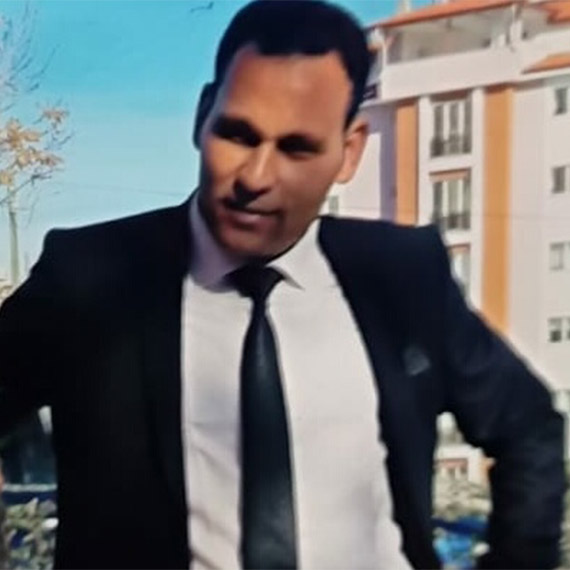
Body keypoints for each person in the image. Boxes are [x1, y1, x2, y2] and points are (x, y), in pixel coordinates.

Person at [0, 1, 565, 569]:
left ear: (349, 152)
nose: (255, 177)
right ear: (201, 116)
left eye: (297, 148)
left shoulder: (401, 277)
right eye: (238, 135)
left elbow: (528, 427)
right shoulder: (92, 280)